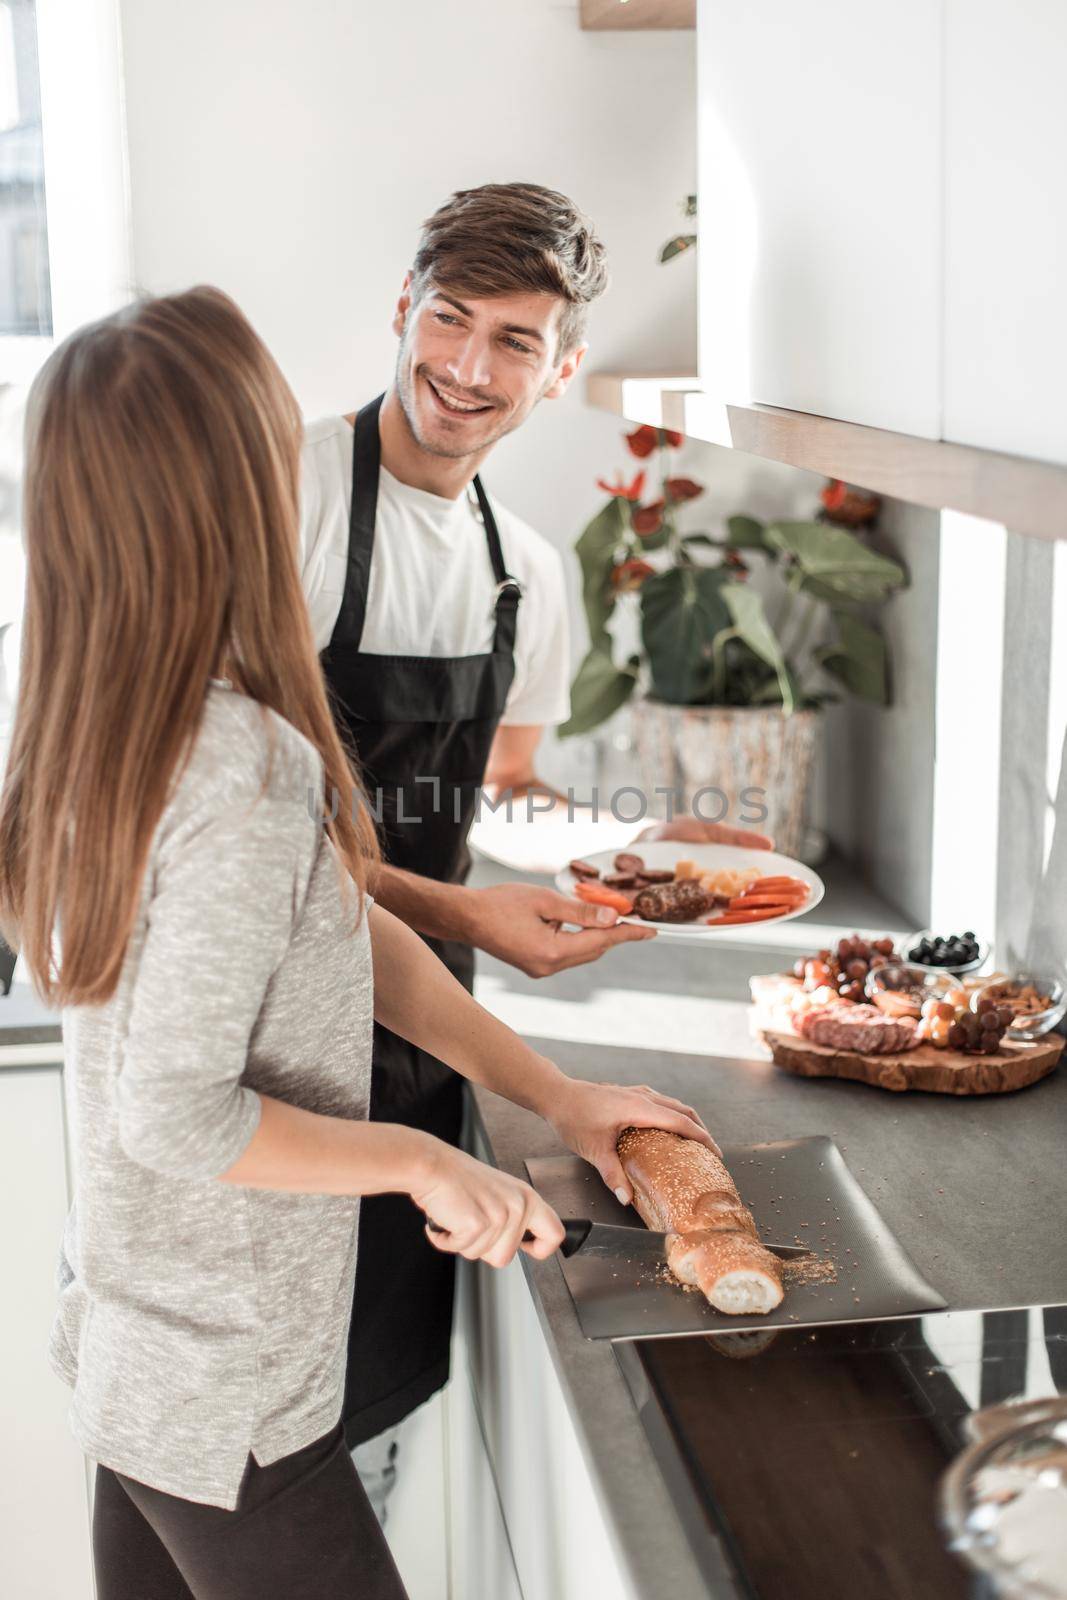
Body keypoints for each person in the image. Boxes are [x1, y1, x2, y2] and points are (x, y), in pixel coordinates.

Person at [0, 286, 718, 1599]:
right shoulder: (242, 767)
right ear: (231, 496)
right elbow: (177, 1115)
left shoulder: (101, 721)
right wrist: (420, 1166)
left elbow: (344, 931)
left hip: (147, 1351)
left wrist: (551, 1095)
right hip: (227, 1387)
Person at [299, 182, 770, 1503]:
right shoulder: (283, 496)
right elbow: (253, 848)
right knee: (245, 1428)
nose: (466, 365)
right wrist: (465, 921)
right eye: (450, 319)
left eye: (515, 340)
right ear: (403, 311)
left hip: (418, 1034)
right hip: (271, 1019)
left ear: (560, 371)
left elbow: (507, 795)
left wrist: (646, 841)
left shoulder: (532, 572)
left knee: (367, 1425)